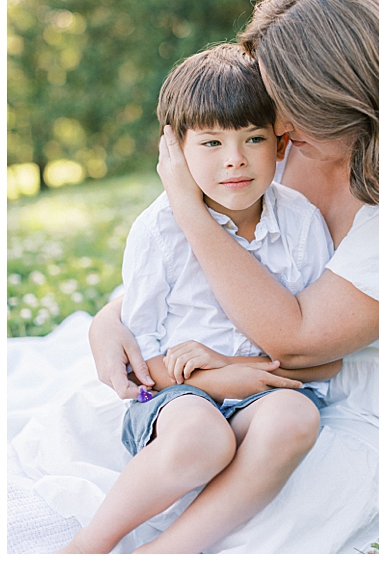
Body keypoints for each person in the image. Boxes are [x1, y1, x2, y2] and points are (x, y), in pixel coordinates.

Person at [9, 0, 379, 553]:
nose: (274, 127)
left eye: (291, 105)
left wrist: (188, 209)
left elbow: (296, 337)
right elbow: (237, 266)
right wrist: (114, 315)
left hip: (371, 412)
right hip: (243, 374)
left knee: (273, 524)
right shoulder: (292, 144)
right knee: (134, 451)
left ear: (345, 99)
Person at [58, 44, 339, 553]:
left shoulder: (301, 224)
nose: (234, 159)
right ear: (174, 150)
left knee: (297, 418)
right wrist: (213, 379)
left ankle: (164, 552)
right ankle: (88, 546)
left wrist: (234, 366)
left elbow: (326, 359)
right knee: (203, 439)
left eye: (253, 138)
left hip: (268, 394)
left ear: (281, 145)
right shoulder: (160, 231)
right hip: (178, 399)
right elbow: (139, 366)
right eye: (210, 142)